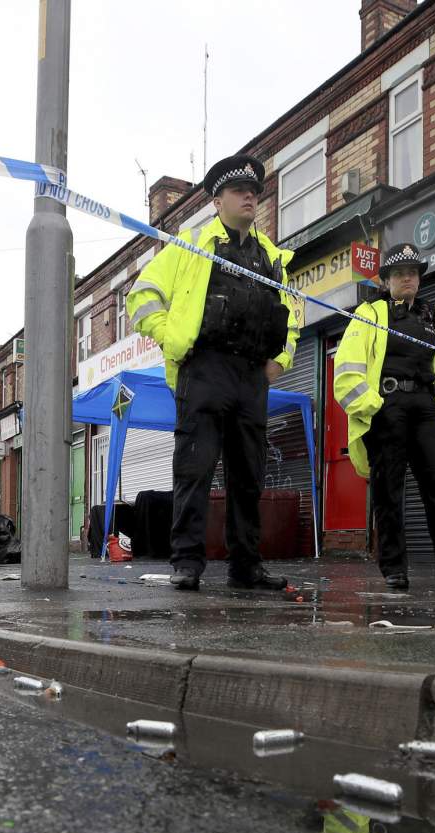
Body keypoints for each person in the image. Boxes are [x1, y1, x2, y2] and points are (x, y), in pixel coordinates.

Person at [127, 154, 300, 592]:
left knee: (248, 476)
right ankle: (186, 563)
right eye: (239, 191)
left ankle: (247, 567)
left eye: (254, 192)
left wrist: (282, 358)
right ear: (218, 200)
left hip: (250, 376)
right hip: (204, 368)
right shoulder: (191, 243)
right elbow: (141, 295)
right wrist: (173, 337)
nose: (249, 197)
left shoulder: (272, 257)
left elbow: (292, 313)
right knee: (194, 469)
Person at [333, 243, 435, 590]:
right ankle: (394, 568)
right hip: (386, 406)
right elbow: (346, 370)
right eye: (399, 273)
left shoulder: (433, 318)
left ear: (419, 279)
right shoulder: (369, 313)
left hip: (425, 409)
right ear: (387, 279)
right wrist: (372, 407)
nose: (407, 278)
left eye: (413, 273)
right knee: (388, 490)